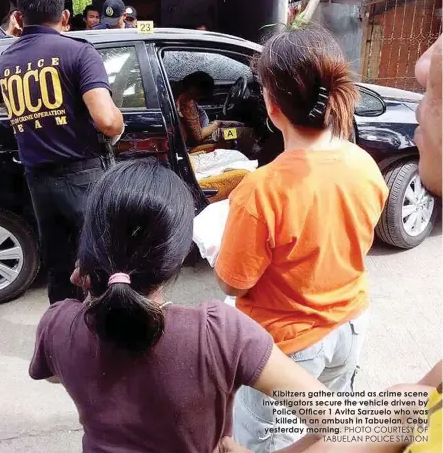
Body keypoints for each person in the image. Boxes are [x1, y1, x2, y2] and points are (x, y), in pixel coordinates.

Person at [218, 36, 443, 453]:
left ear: (271, 106)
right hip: (349, 326)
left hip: (286, 348)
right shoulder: (364, 165)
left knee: (271, 439)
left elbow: (234, 283)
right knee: (332, 427)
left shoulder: (259, 191)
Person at [29, 159, 331, 453]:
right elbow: (342, 422)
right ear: (177, 255)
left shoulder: (58, 326)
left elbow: (54, 373)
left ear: (90, 246)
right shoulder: (218, 335)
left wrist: (94, 295)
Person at [0, 0, 124, 304]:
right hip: (82, 176)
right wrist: (119, 123)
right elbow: (105, 119)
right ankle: (108, 333)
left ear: (18, 17)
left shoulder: (6, 61)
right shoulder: (78, 52)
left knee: (59, 267)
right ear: (65, 17)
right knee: (102, 261)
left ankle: (63, 332)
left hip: (39, 182)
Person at [176, 71, 223, 147]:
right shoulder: (186, 101)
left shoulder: (175, 88)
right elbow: (199, 136)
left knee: (234, 125)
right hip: (192, 144)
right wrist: (216, 124)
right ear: (192, 89)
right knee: (238, 133)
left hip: (194, 132)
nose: (198, 100)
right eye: (200, 96)